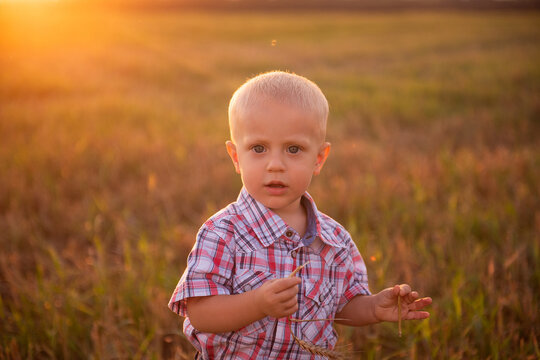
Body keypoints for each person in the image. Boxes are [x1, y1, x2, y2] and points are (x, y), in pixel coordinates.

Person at [168, 71, 432, 359]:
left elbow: (339, 308)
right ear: (235, 157)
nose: (275, 165)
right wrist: (256, 303)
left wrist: (372, 308)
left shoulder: (334, 240)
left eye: (294, 149)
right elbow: (201, 313)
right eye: (259, 148)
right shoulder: (222, 232)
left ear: (319, 158)